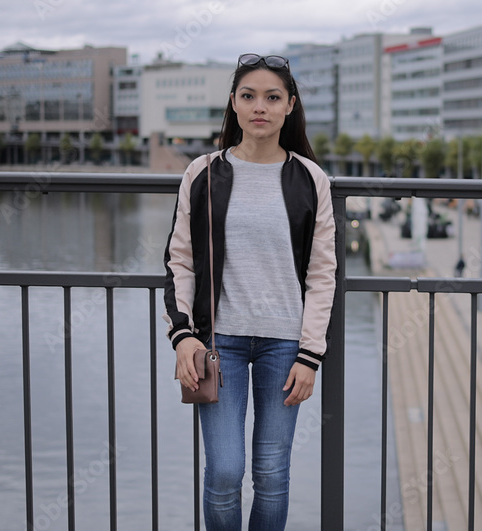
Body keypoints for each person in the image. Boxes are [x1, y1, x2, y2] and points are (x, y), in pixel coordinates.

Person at [163, 53, 336, 530]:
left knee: (271, 473)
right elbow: (180, 260)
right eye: (249, 95)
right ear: (234, 105)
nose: (260, 106)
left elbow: (323, 274)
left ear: (289, 106)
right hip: (218, 345)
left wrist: (310, 355)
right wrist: (183, 336)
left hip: (286, 346)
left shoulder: (309, 178)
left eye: (272, 97)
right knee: (224, 471)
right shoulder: (203, 173)